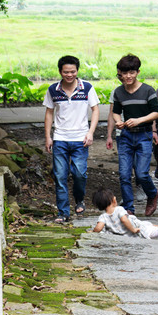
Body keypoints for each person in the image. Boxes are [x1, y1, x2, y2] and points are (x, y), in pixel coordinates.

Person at [44, 55, 100, 223]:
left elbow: (95, 110)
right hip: (60, 138)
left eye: (73, 72)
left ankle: (79, 199)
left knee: (80, 174)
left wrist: (90, 132)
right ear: (60, 71)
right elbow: (49, 113)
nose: (69, 75)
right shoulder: (53, 90)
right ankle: (63, 212)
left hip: (80, 139)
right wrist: (48, 137)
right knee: (60, 175)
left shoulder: (87, 88)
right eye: (66, 72)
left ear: (77, 71)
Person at [106, 54, 158, 217]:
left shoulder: (148, 90)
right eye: (124, 73)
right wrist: (118, 122)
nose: (128, 76)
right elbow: (115, 112)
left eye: (132, 72)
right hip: (126, 136)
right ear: (120, 74)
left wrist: (139, 120)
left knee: (142, 173)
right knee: (124, 174)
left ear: (138, 72)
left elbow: (157, 113)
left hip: (144, 135)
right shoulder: (118, 92)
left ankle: (152, 194)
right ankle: (129, 207)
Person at [92, 188, 158, 241]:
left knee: (148, 224)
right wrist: (133, 229)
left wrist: (93, 231)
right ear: (114, 200)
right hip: (140, 232)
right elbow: (124, 220)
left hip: (129, 235)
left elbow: (99, 228)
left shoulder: (103, 217)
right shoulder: (119, 209)